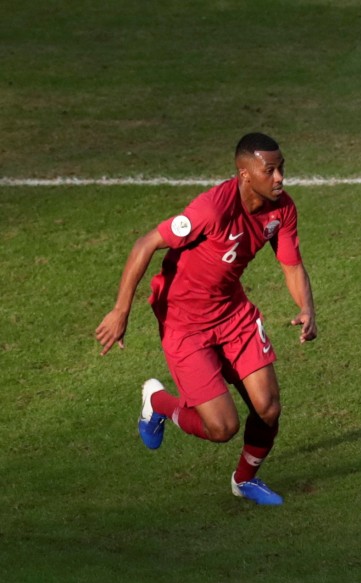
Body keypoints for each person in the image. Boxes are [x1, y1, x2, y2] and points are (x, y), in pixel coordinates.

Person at [95, 132, 318, 506]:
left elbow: (292, 265)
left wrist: (307, 308)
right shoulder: (211, 210)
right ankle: (157, 401)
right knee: (221, 427)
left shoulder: (282, 210)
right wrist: (121, 310)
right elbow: (145, 243)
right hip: (185, 323)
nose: (280, 178)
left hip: (232, 313)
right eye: (271, 170)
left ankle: (244, 480)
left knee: (268, 407)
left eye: (282, 169)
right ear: (245, 174)